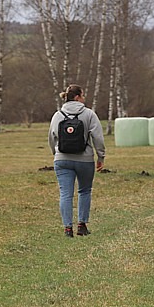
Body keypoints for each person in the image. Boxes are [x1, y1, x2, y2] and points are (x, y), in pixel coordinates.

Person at [48, 84, 106, 238]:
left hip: (62, 159)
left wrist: (56, 153)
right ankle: (82, 225)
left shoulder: (57, 115)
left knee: (65, 194)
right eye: (83, 95)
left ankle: (68, 229)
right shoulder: (89, 114)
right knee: (84, 190)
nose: (84, 98)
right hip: (85, 159)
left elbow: (52, 138)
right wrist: (101, 157)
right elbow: (98, 138)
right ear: (77, 97)